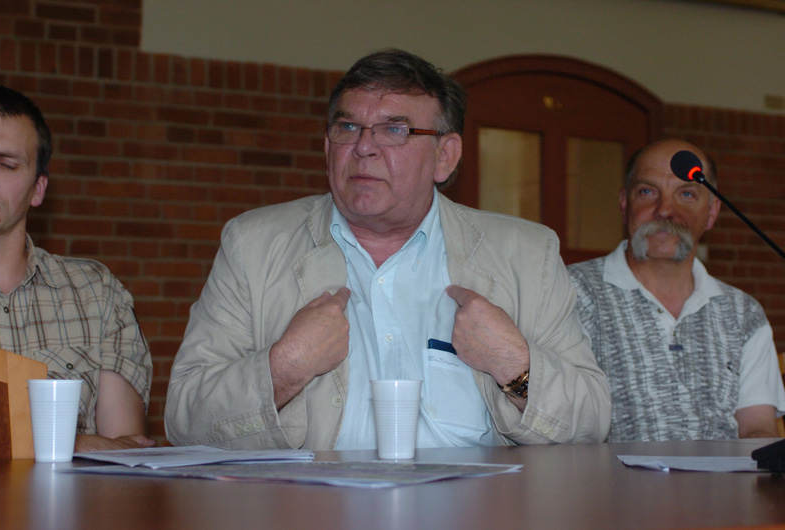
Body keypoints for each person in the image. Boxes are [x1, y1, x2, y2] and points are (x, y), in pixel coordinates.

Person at [165, 49, 610, 450]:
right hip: (312, 503)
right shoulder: (253, 246)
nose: (363, 147)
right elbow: (185, 420)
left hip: (475, 503)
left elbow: (592, 421)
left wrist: (515, 366)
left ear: (445, 156)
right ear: (327, 146)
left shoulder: (526, 254)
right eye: (347, 127)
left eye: (394, 129)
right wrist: (285, 368)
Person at [568, 138, 785, 442]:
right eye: (647, 191)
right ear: (624, 203)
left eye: (686, 194)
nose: (665, 210)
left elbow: (757, 429)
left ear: (712, 212)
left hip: (725, 475)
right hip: (607, 474)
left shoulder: (744, 313)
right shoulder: (570, 292)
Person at [0, 86, 154, 452]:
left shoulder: (97, 293)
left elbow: (125, 450)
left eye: (7, 164)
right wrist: (72, 445)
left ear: (38, 189)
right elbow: (103, 448)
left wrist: (17, 444)